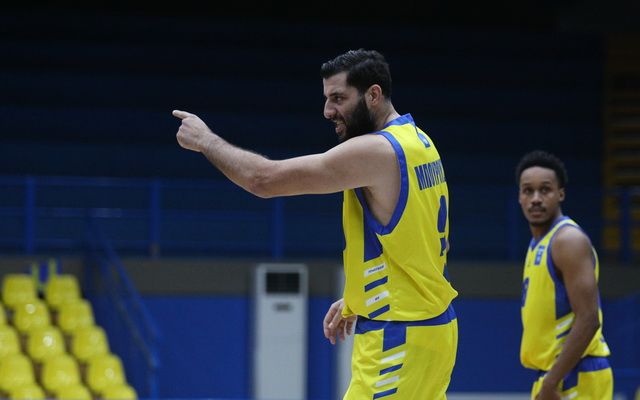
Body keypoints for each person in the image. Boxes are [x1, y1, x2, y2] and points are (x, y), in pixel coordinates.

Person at [173, 49, 458, 399]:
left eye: (338, 98)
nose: (327, 111)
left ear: (373, 94)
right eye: (326, 98)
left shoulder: (377, 151)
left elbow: (263, 179)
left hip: (397, 337)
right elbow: (419, 240)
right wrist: (360, 295)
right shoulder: (419, 142)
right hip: (434, 329)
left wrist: (205, 140)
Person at [516, 150, 613, 400]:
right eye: (528, 191)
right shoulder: (538, 243)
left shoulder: (568, 240)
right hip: (556, 375)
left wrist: (551, 382)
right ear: (519, 197)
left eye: (545, 190)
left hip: (575, 375)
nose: (536, 199)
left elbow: (589, 318)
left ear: (560, 194)